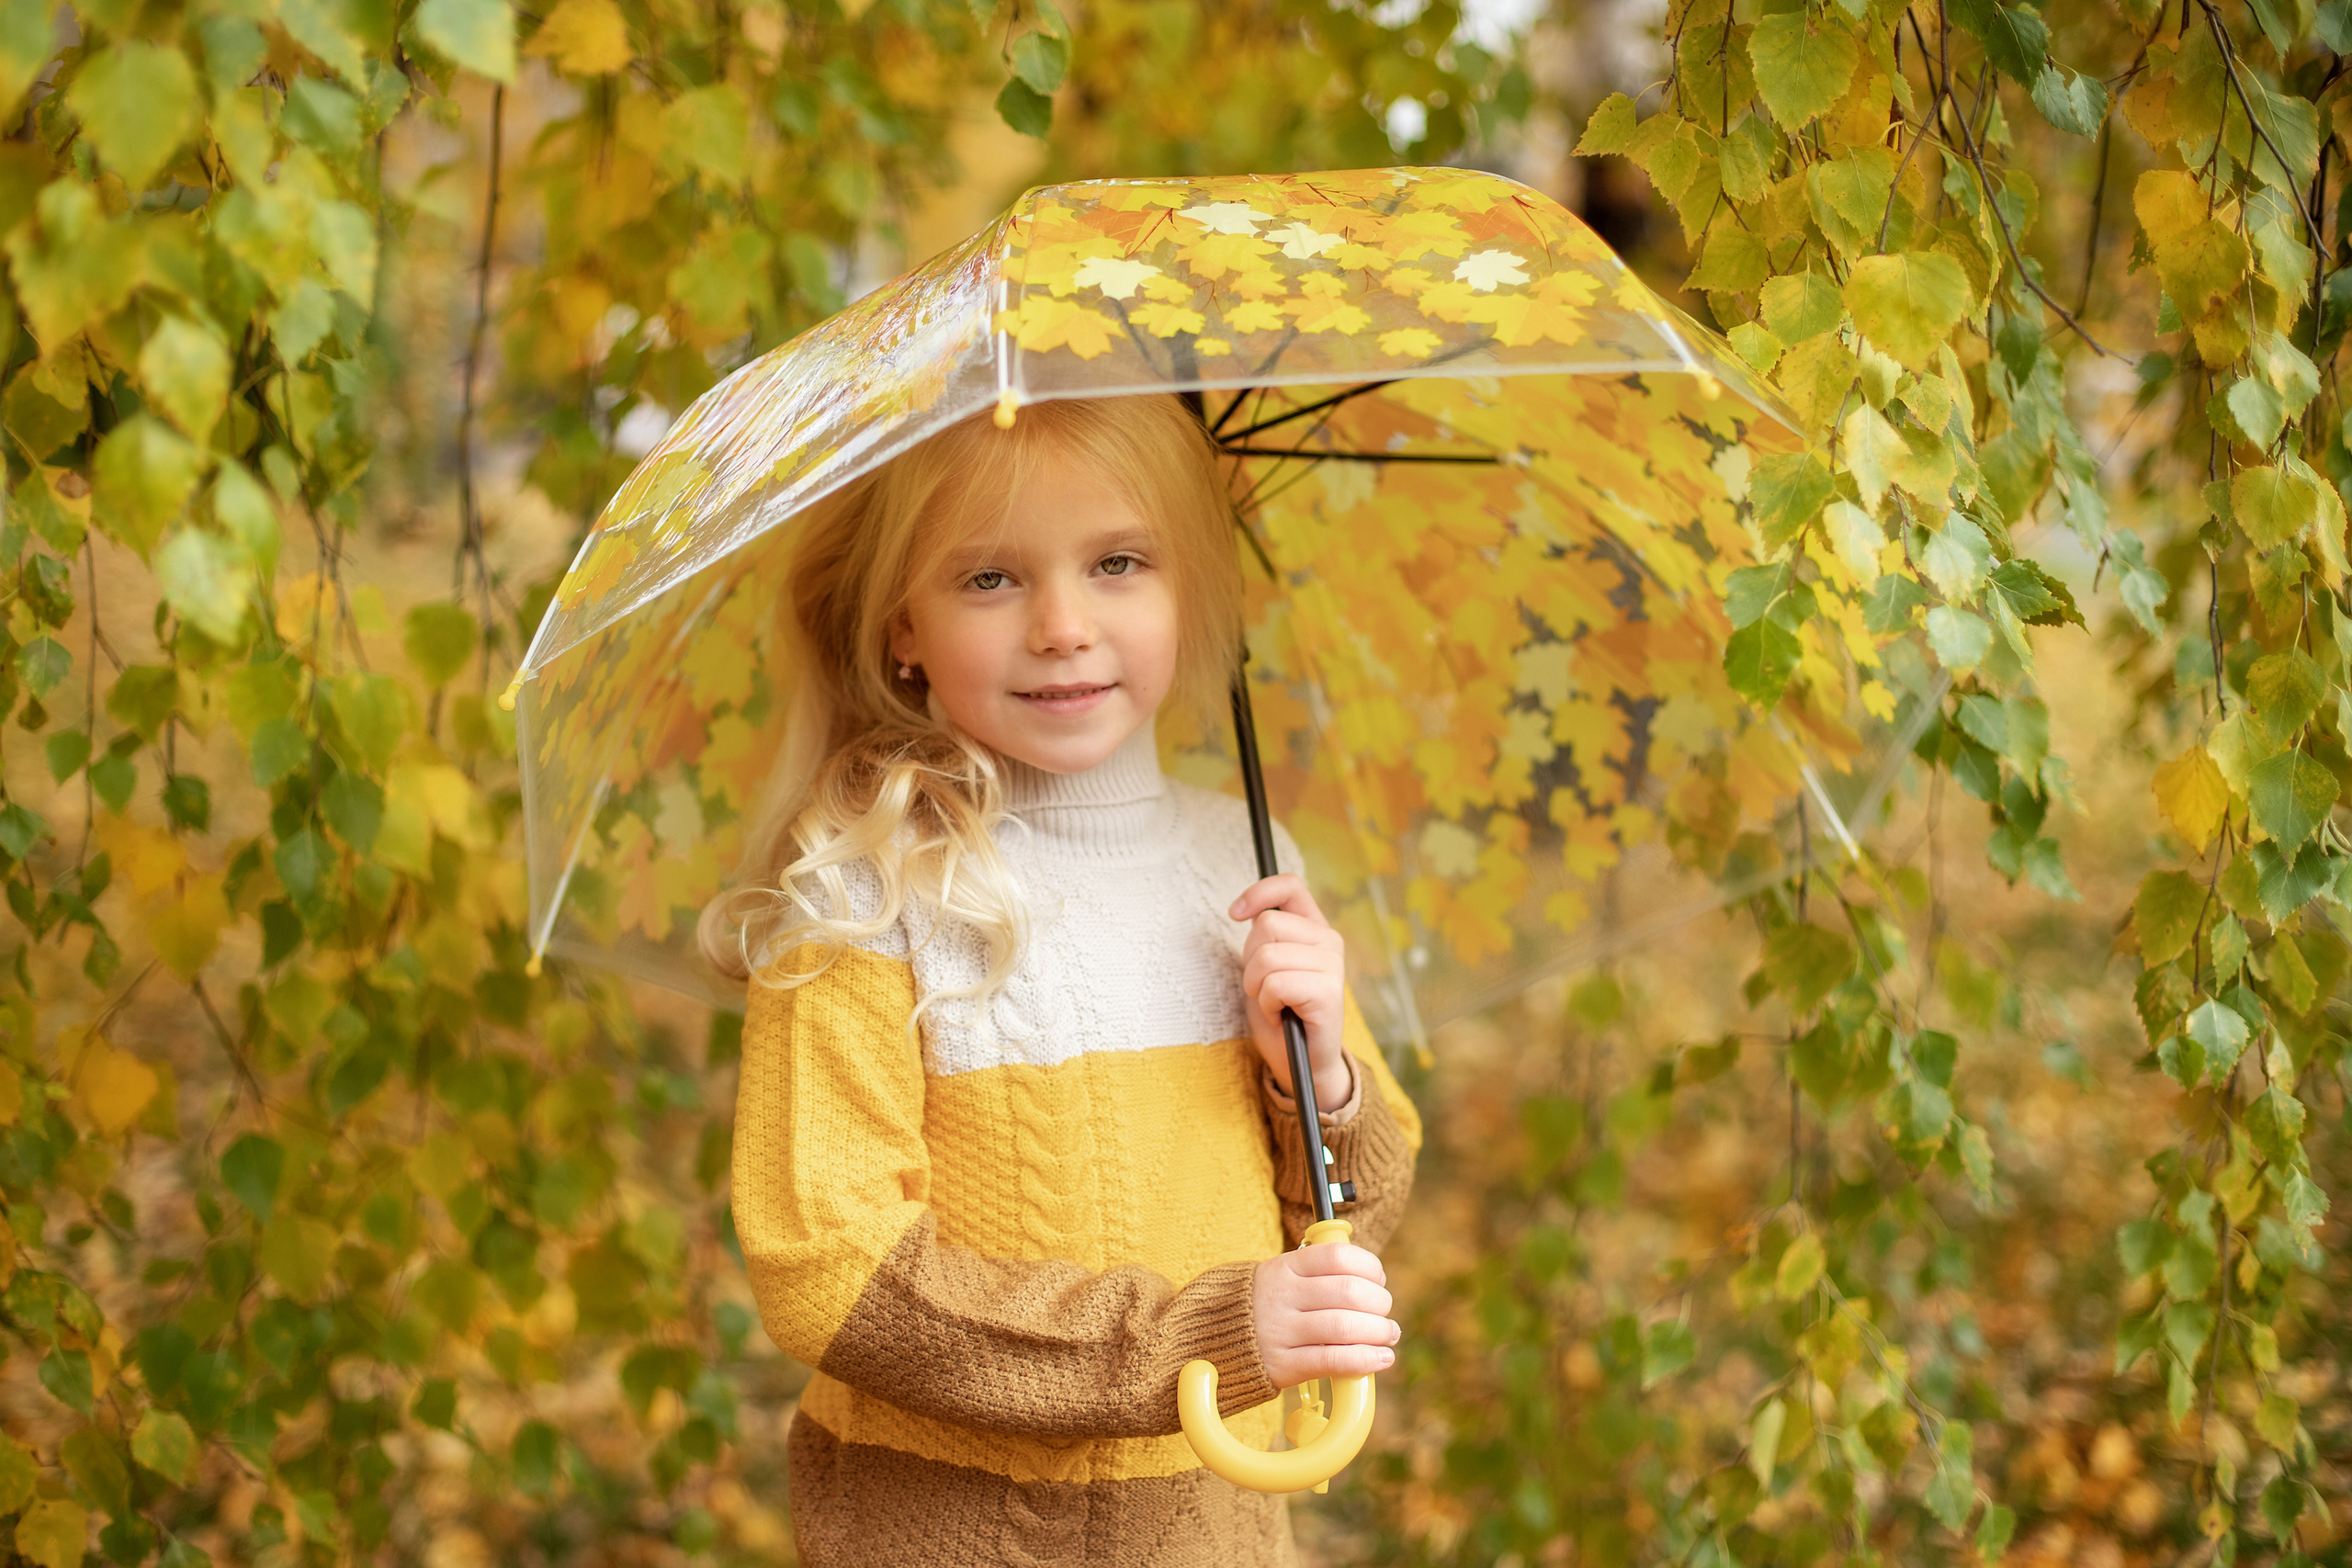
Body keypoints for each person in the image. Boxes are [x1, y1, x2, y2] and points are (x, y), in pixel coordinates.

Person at [704, 394, 1421, 1566]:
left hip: (1216, 1532)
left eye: (1119, 563)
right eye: (990, 579)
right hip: (950, 1535)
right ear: (902, 626)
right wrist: (1200, 1337)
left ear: (1191, 591)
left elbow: (1348, 1220)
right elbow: (828, 1267)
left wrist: (1321, 1076)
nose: (1063, 626)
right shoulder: (863, 896)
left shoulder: (1244, 866)